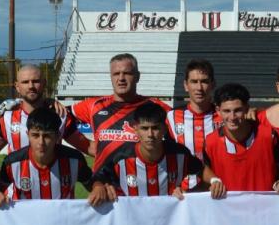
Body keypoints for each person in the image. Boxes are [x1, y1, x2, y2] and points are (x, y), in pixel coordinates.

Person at [90, 102, 224, 202]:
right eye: (144, 128)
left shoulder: (179, 154)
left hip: (168, 223)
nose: (150, 134)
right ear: (135, 129)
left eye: (155, 128)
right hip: (131, 223)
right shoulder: (120, 157)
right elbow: (98, 177)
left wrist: (215, 180)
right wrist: (98, 187)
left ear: (164, 129)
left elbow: (200, 168)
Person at [71, 52, 170, 172]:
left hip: (143, 186)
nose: (121, 78)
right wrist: (89, 147)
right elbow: (62, 118)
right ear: (111, 77)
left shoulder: (156, 107)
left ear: (138, 76)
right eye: (116, 74)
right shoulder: (94, 106)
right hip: (104, 186)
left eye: (127, 73)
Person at [202, 83, 279, 192]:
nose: (232, 117)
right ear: (218, 110)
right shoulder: (210, 142)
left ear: (246, 108)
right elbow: (204, 169)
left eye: (237, 110)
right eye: (227, 111)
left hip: (264, 207)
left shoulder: (268, 136)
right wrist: (213, 180)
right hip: (227, 208)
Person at [0, 106, 97, 202]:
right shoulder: (11, 163)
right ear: (28, 135)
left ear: (57, 136)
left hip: (62, 219)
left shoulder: (75, 160)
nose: (41, 142)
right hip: (25, 219)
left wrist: (98, 187)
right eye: (35, 135)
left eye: (47, 136)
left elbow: (93, 185)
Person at [0, 63, 90, 156]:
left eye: (36, 81)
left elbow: (88, 147)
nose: (31, 86)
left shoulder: (60, 115)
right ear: (17, 86)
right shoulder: (7, 119)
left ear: (44, 83)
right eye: (25, 82)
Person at [167, 59, 222, 189]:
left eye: (204, 81)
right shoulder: (171, 117)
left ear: (213, 84)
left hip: (217, 188)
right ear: (186, 85)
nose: (199, 87)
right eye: (194, 82)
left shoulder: (225, 116)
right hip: (184, 192)